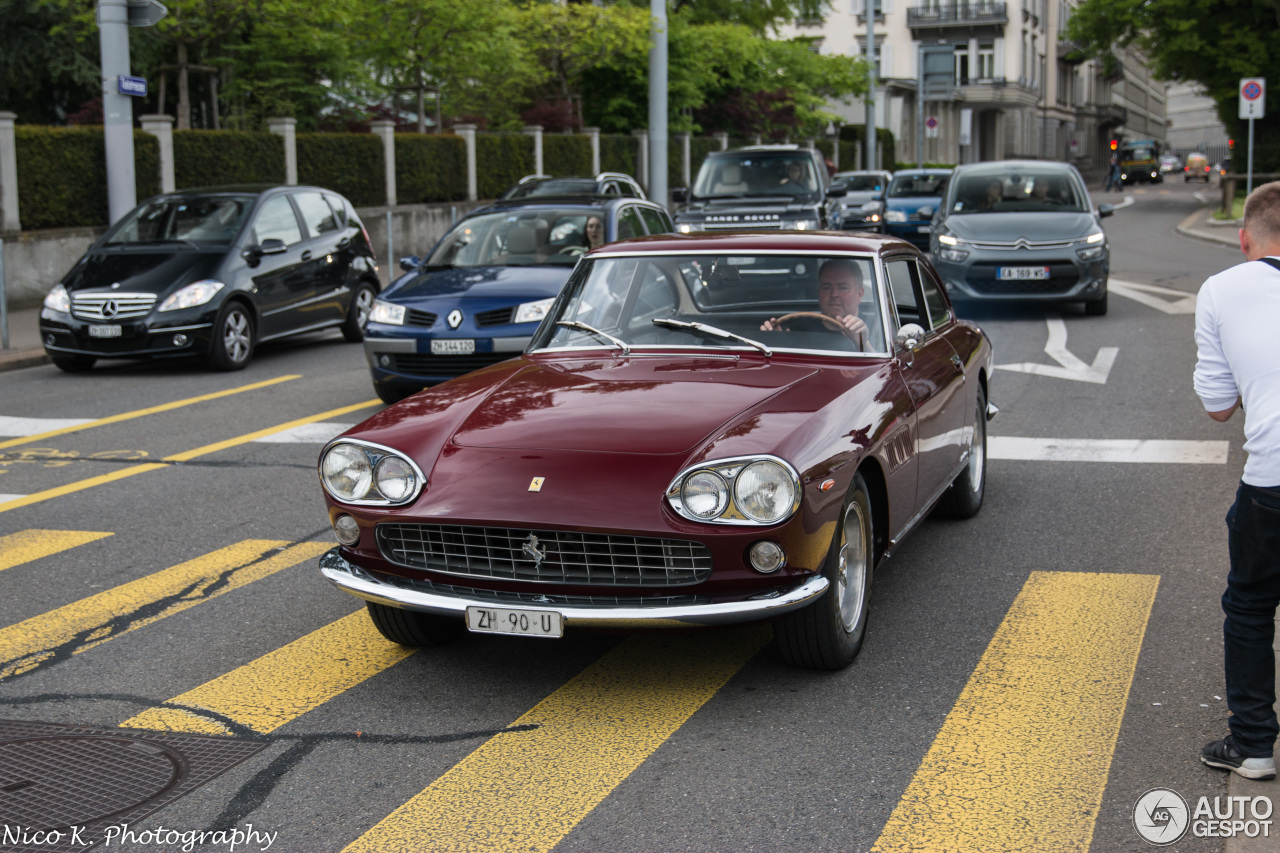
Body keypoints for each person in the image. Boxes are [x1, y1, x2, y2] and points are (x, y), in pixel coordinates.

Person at [1193, 180, 1280, 782]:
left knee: (1250, 606)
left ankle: (1253, 747)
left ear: (1244, 237)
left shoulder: (1222, 289)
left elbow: (1218, 406)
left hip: (1272, 482)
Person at [761, 259, 870, 347]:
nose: (834, 294)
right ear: (819, 292)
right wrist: (775, 340)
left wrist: (863, 344)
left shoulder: (878, 327)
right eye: (826, 288)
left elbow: (883, 368)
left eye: (843, 287)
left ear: (859, 294)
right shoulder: (799, 331)